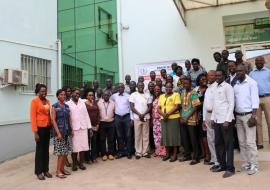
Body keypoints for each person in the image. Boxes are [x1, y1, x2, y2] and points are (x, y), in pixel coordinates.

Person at [234, 65, 259, 175]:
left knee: (250, 142)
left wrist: (254, 116)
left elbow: (255, 99)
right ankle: (247, 162)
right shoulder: (236, 84)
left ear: (245, 71)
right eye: (236, 71)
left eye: (240, 71)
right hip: (238, 116)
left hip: (249, 116)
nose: (237, 73)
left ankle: (255, 165)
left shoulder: (251, 83)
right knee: (242, 142)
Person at [211, 70, 235, 178]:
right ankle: (222, 165)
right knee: (218, 143)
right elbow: (215, 104)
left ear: (224, 76)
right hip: (216, 120)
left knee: (228, 145)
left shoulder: (228, 87)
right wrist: (212, 118)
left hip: (226, 121)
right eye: (216, 75)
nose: (217, 77)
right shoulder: (215, 87)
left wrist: (227, 120)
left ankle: (230, 168)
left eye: (219, 75)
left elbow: (231, 104)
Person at [30, 83, 52, 180]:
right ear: (38, 92)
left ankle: (45, 170)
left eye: (45, 91)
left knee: (46, 150)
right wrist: (35, 132)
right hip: (39, 129)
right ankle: (38, 172)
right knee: (40, 150)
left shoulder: (48, 101)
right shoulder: (34, 101)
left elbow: (49, 114)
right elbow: (33, 117)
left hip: (47, 127)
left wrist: (51, 126)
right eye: (42, 91)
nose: (44, 93)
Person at [67, 88, 92, 171]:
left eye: (79, 94)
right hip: (74, 128)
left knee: (82, 146)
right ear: (72, 94)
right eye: (76, 93)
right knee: (74, 147)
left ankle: (81, 163)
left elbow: (86, 115)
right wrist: (70, 129)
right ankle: (74, 164)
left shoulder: (82, 102)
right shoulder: (68, 104)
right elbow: (68, 118)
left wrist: (89, 128)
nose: (77, 95)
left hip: (83, 127)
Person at [249, 56, 270, 149]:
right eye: (257, 61)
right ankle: (260, 143)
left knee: (269, 121)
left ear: (264, 61)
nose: (259, 62)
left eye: (261, 60)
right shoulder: (251, 73)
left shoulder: (268, 71)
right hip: (255, 99)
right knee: (258, 122)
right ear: (255, 62)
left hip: (267, 97)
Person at [179, 78, 201, 165]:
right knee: (185, 139)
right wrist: (181, 117)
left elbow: (196, 107)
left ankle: (196, 157)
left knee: (193, 139)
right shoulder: (182, 93)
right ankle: (187, 155)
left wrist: (187, 117)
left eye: (187, 84)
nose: (185, 85)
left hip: (191, 120)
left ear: (190, 84)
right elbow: (180, 107)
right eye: (184, 84)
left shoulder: (194, 93)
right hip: (183, 119)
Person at [51, 89, 72, 179]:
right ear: (58, 96)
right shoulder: (54, 106)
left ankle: (62, 169)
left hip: (67, 132)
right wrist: (58, 132)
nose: (63, 96)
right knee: (61, 153)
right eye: (61, 94)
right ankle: (58, 171)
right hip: (59, 133)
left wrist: (71, 130)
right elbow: (53, 120)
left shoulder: (67, 106)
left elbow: (69, 119)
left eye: (64, 94)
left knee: (65, 152)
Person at [158, 82, 181, 162]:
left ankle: (174, 154)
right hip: (164, 119)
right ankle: (167, 154)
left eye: (170, 87)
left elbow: (177, 106)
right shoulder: (161, 96)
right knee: (165, 136)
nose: (168, 89)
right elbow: (158, 108)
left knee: (174, 136)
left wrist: (167, 114)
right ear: (164, 88)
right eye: (167, 87)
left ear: (172, 88)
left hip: (173, 118)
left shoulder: (176, 95)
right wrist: (163, 115)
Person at [129, 82, 152, 159]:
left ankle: (145, 152)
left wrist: (143, 114)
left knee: (146, 135)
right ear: (137, 86)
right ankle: (138, 152)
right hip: (137, 118)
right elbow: (132, 107)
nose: (141, 87)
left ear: (144, 86)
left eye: (142, 85)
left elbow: (149, 107)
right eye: (139, 85)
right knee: (138, 135)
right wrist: (139, 114)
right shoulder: (133, 95)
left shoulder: (147, 95)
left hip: (146, 117)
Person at [203, 70, 219, 171]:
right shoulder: (208, 88)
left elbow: (217, 104)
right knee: (210, 139)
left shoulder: (218, 87)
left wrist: (212, 116)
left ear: (215, 76)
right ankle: (213, 158)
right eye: (208, 75)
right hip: (207, 115)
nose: (210, 77)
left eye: (212, 75)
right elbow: (205, 105)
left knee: (216, 138)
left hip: (215, 115)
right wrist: (204, 119)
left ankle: (218, 160)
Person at [111, 83, 132, 159]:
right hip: (118, 117)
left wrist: (131, 118)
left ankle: (128, 152)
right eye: (119, 87)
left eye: (121, 87)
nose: (120, 88)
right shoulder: (114, 96)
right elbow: (110, 104)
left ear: (124, 88)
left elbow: (131, 108)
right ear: (117, 88)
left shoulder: (128, 96)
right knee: (119, 135)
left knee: (128, 135)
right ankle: (121, 152)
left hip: (126, 117)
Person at [194, 73, 210, 164]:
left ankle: (208, 154)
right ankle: (203, 153)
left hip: (207, 115)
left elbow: (207, 103)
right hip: (198, 115)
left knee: (205, 136)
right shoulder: (196, 90)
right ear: (198, 80)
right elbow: (195, 103)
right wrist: (202, 102)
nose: (204, 80)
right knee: (200, 135)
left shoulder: (209, 89)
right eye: (202, 79)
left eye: (205, 79)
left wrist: (200, 103)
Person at [97, 90, 116, 161]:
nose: (106, 96)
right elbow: (98, 113)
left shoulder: (113, 103)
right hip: (102, 123)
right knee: (102, 139)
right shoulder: (99, 103)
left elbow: (115, 112)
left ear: (109, 96)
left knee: (111, 139)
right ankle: (104, 154)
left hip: (111, 122)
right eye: (105, 95)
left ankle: (110, 153)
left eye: (108, 95)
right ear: (102, 95)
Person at [85, 89, 100, 164]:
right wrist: (88, 126)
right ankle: (87, 158)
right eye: (89, 95)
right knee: (88, 143)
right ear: (87, 96)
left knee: (94, 142)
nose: (91, 96)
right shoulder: (84, 104)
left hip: (95, 126)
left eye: (92, 95)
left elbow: (98, 113)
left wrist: (98, 124)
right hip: (87, 126)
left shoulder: (95, 103)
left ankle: (94, 157)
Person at [152, 85, 166, 157]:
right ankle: (157, 151)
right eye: (155, 89)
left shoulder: (163, 97)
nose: (156, 90)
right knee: (156, 137)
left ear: (160, 90)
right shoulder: (154, 99)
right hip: (155, 121)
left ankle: (163, 152)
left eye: (158, 89)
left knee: (162, 136)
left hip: (161, 120)